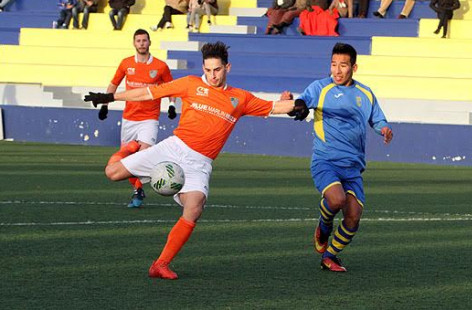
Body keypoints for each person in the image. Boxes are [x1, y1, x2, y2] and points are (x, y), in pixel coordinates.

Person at [83, 41, 308, 279]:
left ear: (227, 68)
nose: (212, 75)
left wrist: (298, 105)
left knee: (195, 206)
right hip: (173, 148)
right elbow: (147, 92)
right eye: (208, 70)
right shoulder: (190, 83)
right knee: (112, 173)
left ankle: (160, 264)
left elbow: (272, 106)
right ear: (203, 67)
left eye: (217, 70)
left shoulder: (239, 98)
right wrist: (110, 96)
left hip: (199, 163)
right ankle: (130, 148)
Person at [286, 42, 393, 272]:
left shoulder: (365, 93)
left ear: (353, 67)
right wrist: (296, 106)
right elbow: (302, 103)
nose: (336, 70)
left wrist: (384, 128)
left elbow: (377, 118)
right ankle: (324, 227)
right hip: (326, 161)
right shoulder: (320, 88)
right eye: (333, 64)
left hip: (353, 167)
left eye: (342, 65)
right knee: (336, 200)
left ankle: (330, 255)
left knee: (353, 217)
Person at [96, 29, 177, 208]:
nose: (141, 43)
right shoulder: (126, 64)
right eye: (138, 40)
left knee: (143, 154)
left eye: (144, 40)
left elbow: (171, 87)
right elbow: (113, 84)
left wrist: (172, 105)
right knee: (127, 160)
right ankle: (138, 189)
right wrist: (104, 105)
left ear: (150, 42)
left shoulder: (160, 66)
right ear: (134, 43)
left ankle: (165, 178)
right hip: (129, 119)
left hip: (149, 119)